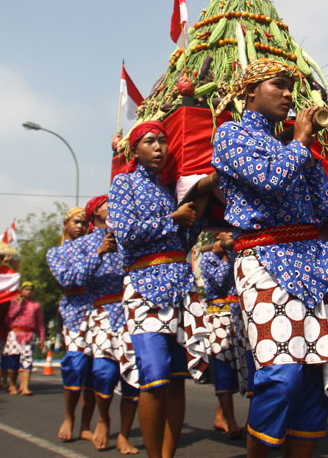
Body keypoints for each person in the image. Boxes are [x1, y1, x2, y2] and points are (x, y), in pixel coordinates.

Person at [212, 58, 328, 458]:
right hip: (263, 259)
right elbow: (270, 180)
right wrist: (299, 143)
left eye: (291, 88)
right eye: (278, 85)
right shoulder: (230, 135)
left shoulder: (292, 146)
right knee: (281, 375)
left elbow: (325, 209)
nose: (288, 94)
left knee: (314, 377)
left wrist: (306, 151)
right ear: (249, 93)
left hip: (311, 263)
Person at [109, 120, 210, 458]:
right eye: (150, 141)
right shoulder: (123, 184)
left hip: (180, 286)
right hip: (142, 287)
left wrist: (198, 211)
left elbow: (185, 240)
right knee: (154, 376)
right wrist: (172, 219)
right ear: (134, 149)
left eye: (163, 141)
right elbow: (126, 233)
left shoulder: (173, 189)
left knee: (177, 378)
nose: (158, 147)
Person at [70, 195, 140, 453]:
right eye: (108, 203)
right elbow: (75, 278)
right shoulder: (84, 243)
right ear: (96, 212)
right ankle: (103, 418)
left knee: (134, 373)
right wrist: (98, 254)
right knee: (103, 371)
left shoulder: (126, 235)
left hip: (130, 308)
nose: (115, 205)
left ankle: (123, 433)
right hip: (101, 311)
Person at [47, 206, 96, 442]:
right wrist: (94, 262)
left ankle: (86, 424)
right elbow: (67, 279)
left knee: (97, 371)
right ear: (66, 224)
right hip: (75, 312)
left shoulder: (95, 246)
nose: (80, 226)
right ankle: (69, 417)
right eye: (76, 222)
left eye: (84, 223)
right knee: (75, 366)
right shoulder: (55, 253)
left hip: (99, 310)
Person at [200, 231, 248, 439]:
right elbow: (219, 281)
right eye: (224, 230)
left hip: (239, 313)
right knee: (223, 366)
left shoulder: (238, 250)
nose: (229, 233)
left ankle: (251, 422)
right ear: (216, 234)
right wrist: (227, 257)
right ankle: (230, 420)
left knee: (247, 365)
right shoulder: (208, 257)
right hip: (218, 316)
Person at [2, 282, 45, 395]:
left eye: (31, 290)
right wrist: (19, 304)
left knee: (27, 361)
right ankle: (12, 385)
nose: (28, 291)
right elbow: (10, 316)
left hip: (29, 335)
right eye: (26, 289)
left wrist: (42, 337)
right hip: (15, 334)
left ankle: (25, 387)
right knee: (13, 362)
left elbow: (40, 322)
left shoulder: (36, 305)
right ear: (21, 290)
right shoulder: (14, 302)